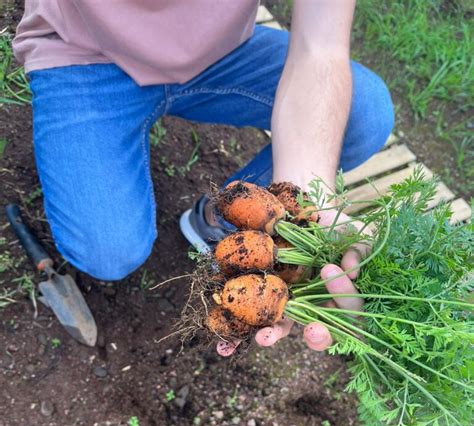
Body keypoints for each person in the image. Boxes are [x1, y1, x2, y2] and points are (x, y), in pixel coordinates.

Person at [13, 0, 394, 356]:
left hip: (219, 56)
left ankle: (221, 219)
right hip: (86, 52)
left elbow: (321, 48)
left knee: (363, 114)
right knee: (108, 251)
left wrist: (304, 207)